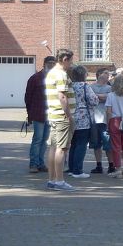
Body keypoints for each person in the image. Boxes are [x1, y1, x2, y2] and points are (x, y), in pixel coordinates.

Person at [44, 49, 76, 191]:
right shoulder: (61, 74)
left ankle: (52, 179)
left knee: (53, 147)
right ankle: (59, 181)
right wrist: (69, 115)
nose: (71, 63)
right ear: (64, 59)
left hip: (54, 115)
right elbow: (62, 96)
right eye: (70, 60)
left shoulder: (51, 73)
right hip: (62, 116)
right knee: (61, 149)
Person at [24, 55, 56, 173]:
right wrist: (29, 114)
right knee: (37, 139)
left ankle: (41, 163)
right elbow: (28, 97)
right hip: (38, 114)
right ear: (44, 64)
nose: (52, 65)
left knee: (44, 140)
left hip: (51, 114)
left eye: (53, 63)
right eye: (50, 63)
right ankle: (33, 164)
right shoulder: (35, 78)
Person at [67, 65, 98, 179]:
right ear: (83, 75)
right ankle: (78, 170)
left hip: (71, 117)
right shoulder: (85, 86)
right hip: (84, 118)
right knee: (81, 144)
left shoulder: (70, 85)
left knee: (73, 144)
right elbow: (93, 100)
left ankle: (71, 168)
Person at [89, 68, 113, 174]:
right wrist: (101, 97)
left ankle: (111, 165)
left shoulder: (110, 88)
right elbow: (90, 99)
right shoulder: (91, 86)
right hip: (94, 118)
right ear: (99, 74)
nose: (108, 75)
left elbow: (109, 98)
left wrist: (96, 96)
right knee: (96, 143)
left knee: (108, 143)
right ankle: (98, 165)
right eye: (106, 73)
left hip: (106, 119)